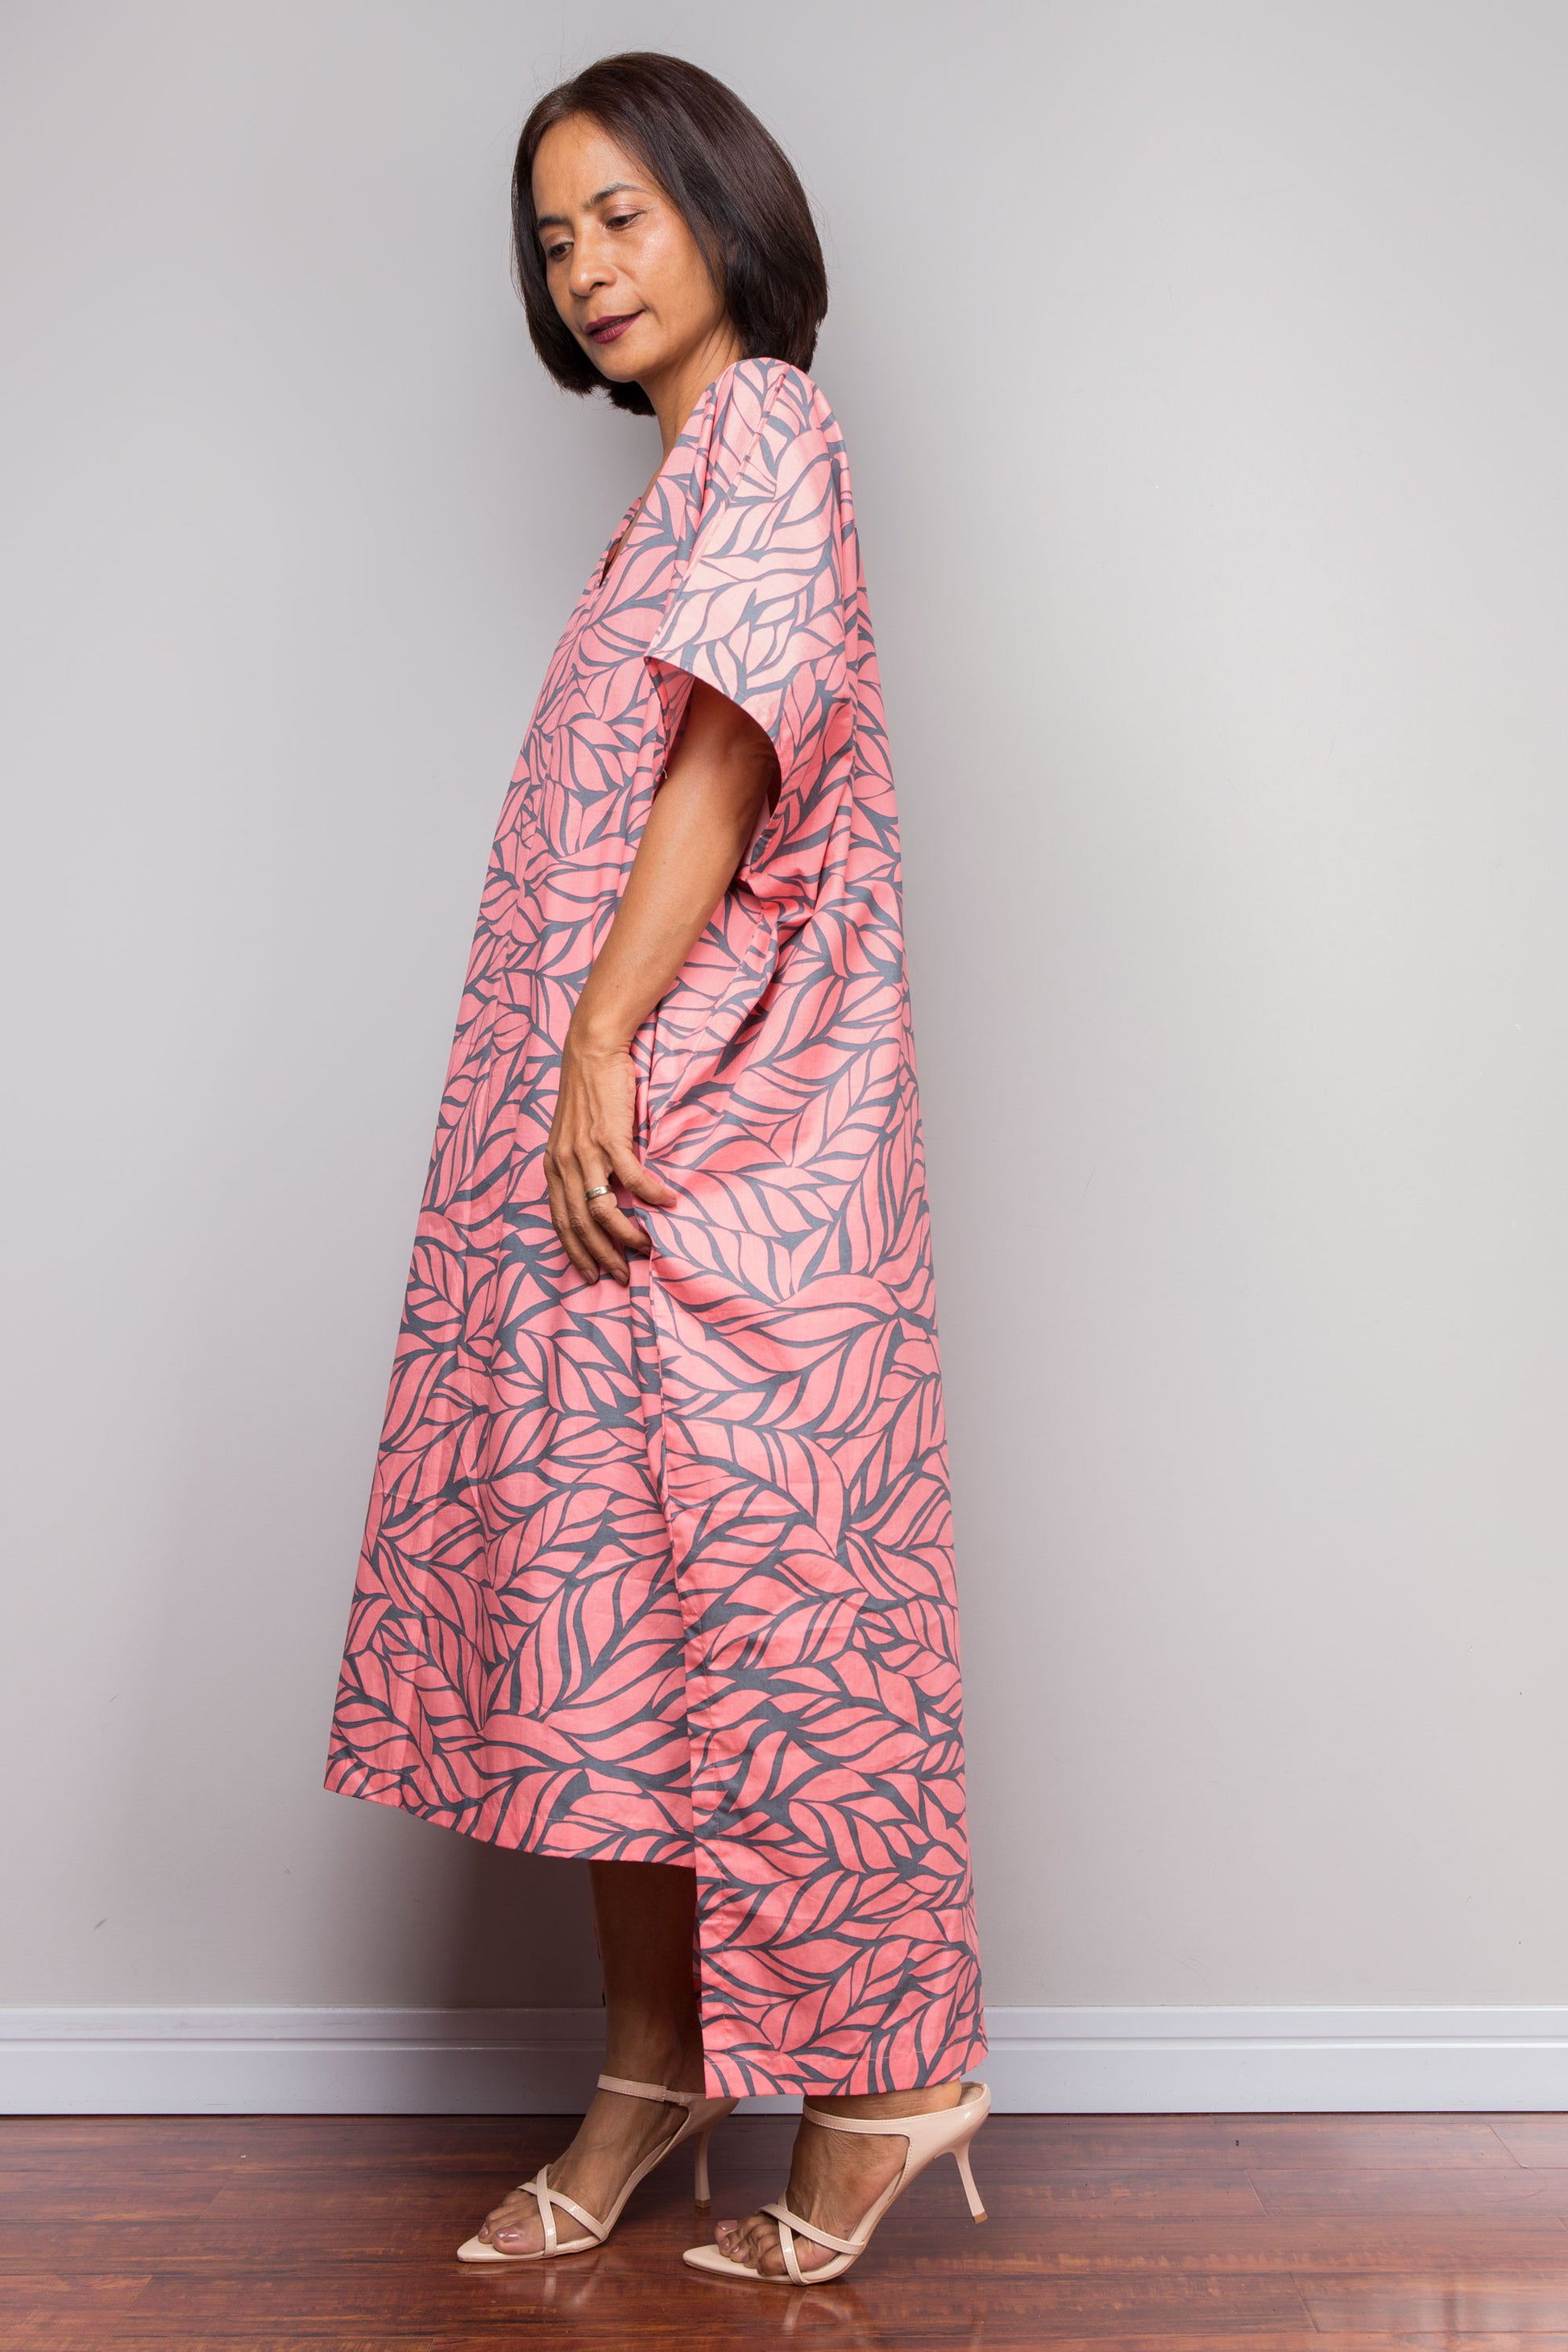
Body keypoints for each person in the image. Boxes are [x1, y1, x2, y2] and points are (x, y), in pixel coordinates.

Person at [325, 48, 988, 2286]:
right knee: (618, 1614)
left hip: (718, 1135)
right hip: (618, 1135)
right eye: (549, 238)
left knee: (783, 1611)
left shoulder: (773, 426)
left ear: (720, 206)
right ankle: (648, 2072)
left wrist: (601, 1031)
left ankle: (886, 2084)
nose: (583, 264)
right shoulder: (684, 478)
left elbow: (724, 755)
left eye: (616, 212)